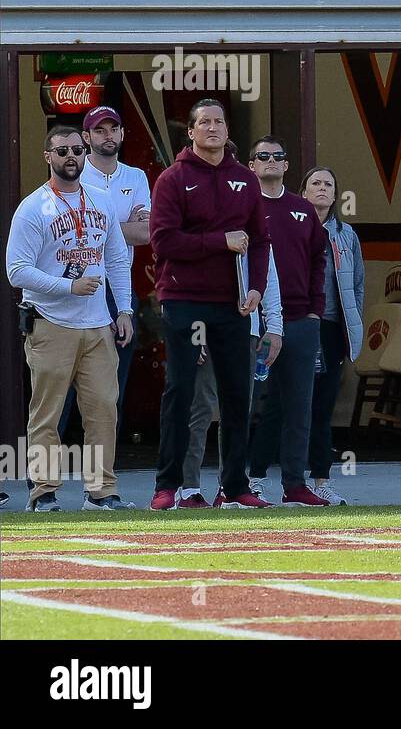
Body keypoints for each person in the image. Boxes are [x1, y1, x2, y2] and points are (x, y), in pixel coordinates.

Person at [148, 99, 271, 510]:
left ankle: (235, 486)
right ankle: (168, 486)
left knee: (238, 394)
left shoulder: (245, 179)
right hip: (183, 299)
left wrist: (256, 287)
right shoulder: (172, 179)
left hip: (232, 304)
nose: (213, 128)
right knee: (181, 391)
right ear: (192, 131)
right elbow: (164, 242)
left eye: (219, 121)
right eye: (205, 122)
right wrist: (220, 241)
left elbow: (259, 240)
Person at [6, 126, 135, 511]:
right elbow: (16, 270)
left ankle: (101, 493)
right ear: (48, 156)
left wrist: (124, 309)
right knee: (47, 412)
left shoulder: (101, 200)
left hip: (98, 324)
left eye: (77, 149)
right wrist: (67, 287)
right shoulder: (33, 207)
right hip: (50, 321)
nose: (71, 156)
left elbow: (116, 258)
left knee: (103, 410)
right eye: (62, 150)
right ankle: (43, 492)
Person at [246, 136, 330, 507]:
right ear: (251, 165)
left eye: (278, 156)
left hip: (300, 320)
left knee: (299, 405)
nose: (270, 161)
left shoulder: (303, 209)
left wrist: (314, 311)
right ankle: (249, 478)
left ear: (286, 166)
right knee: (251, 403)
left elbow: (317, 262)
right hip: (251, 319)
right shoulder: (242, 207)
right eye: (262, 156)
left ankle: (295, 484)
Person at [63, 106, 152, 430]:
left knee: (111, 383)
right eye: (99, 130)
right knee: (62, 382)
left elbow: (145, 233)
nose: (108, 135)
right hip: (74, 283)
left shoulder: (136, 176)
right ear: (86, 137)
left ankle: (101, 467)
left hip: (118, 289)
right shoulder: (75, 175)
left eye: (113, 129)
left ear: (122, 134)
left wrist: (101, 226)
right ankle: (51, 468)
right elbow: (74, 233)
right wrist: (120, 226)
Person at [182, 247, 283, 508]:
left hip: (244, 327)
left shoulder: (255, 219)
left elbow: (266, 274)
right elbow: (187, 274)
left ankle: (230, 487)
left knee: (238, 409)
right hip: (206, 325)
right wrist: (193, 329)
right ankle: (187, 489)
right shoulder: (204, 215)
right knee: (200, 407)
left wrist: (274, 326)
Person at [302, 165, 364, 505]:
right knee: (290, 404)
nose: (323, 189)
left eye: (329, 184)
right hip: (299, 324)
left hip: (331, 328)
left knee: (324, 406)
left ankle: (320, 480)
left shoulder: (346, 235)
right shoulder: (293, 226)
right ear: (304, 191)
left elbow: (357, 286)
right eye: (316, 184)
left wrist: (352, 326)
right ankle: (279, 479)